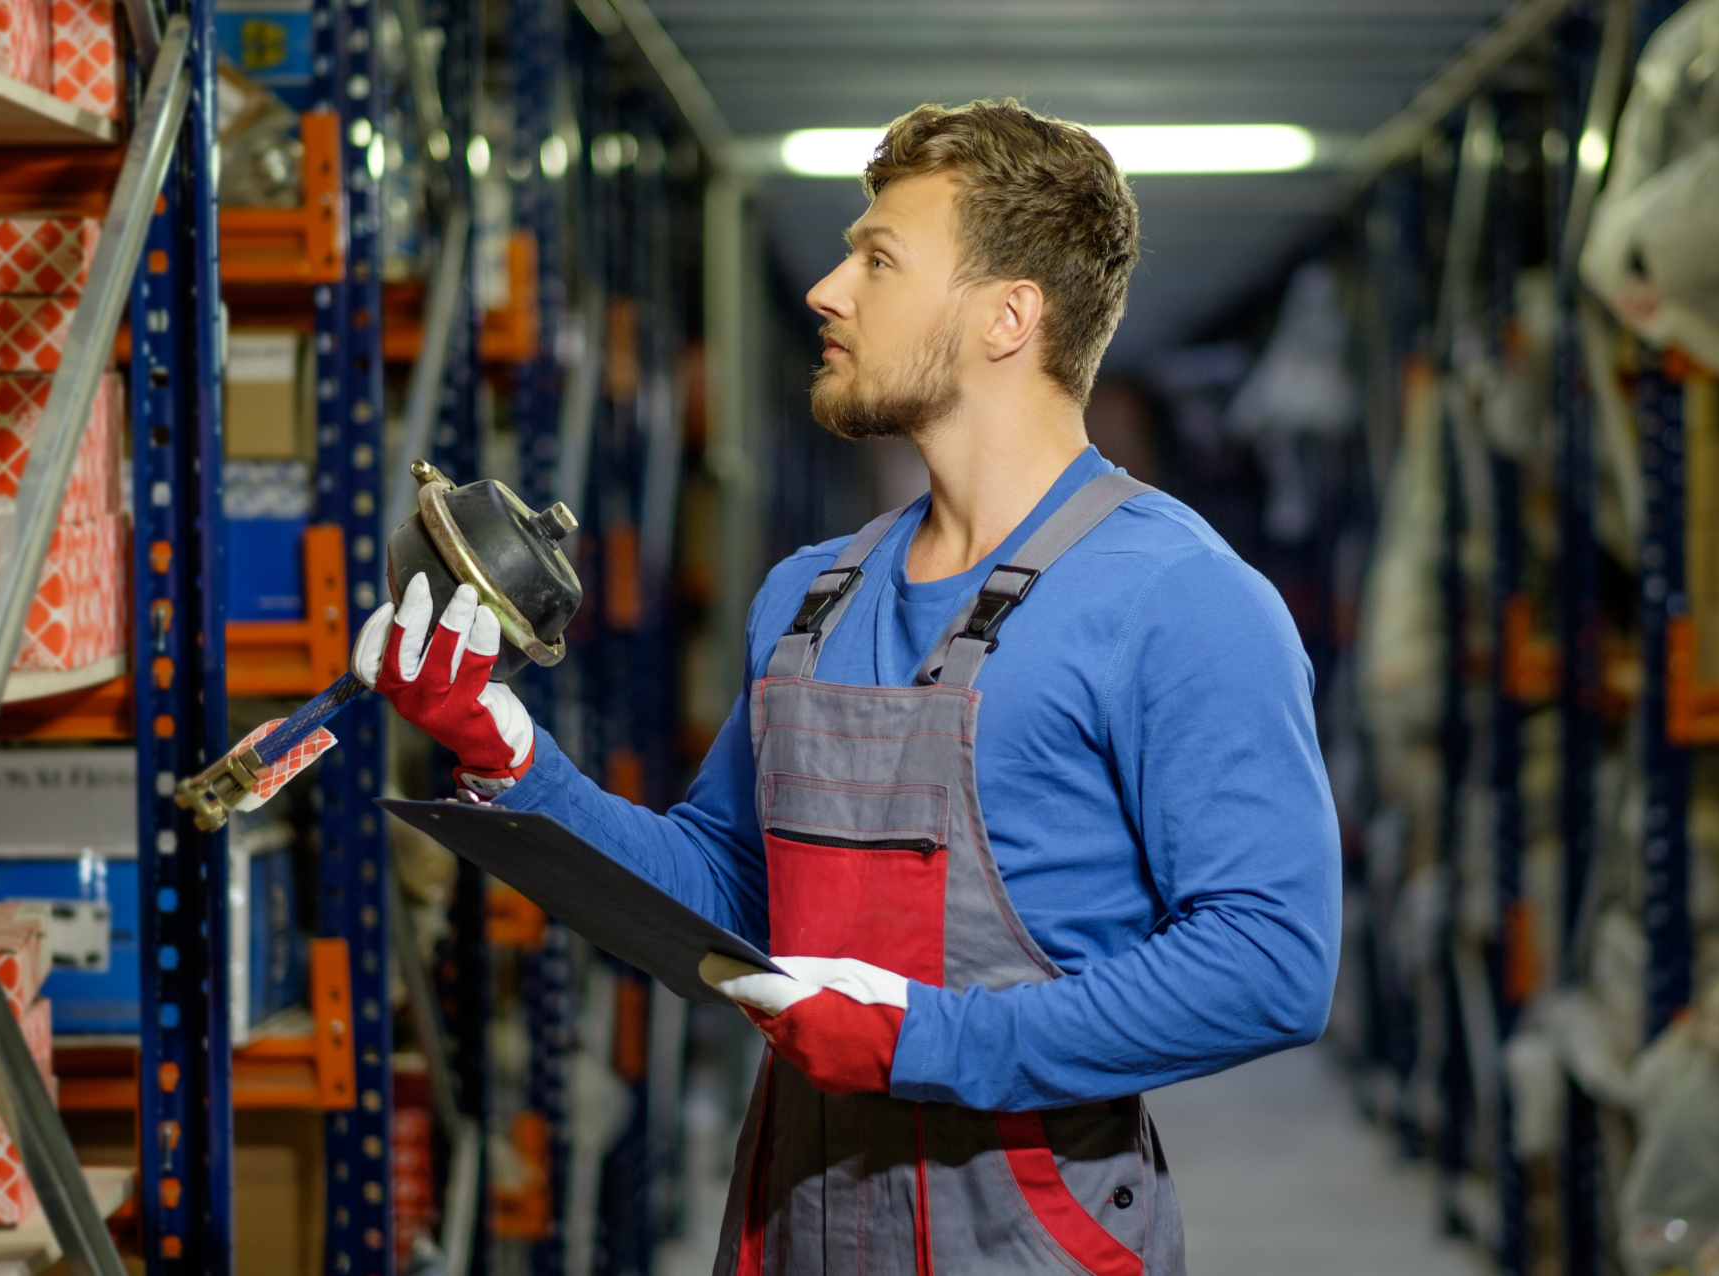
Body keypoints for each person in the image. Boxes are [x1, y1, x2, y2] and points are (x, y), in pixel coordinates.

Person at [357, 98, 1340, 1276]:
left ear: (1007, 317)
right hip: (793, 1225)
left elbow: (1270, 962)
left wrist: (927, 1038)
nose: (827, 290)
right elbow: (723, 895)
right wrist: (511, 758)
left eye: (878, 259)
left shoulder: (1178, 597)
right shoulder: (810, 597)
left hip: (1029, 1242)